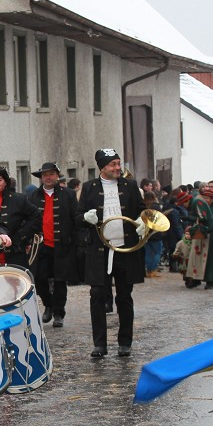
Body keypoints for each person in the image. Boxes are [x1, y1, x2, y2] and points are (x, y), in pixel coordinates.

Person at [78, 148, 145, 358]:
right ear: (102, 167)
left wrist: (143, 221)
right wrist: (86, 218)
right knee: (97, 296)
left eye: (118, 163)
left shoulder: (130, 185)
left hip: (126, 250)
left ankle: (125, 342)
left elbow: (142, 210)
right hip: (99, 251)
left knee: (125, 297)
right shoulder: (89, 188)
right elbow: (78, 216)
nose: (118, 168)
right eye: (113, 164)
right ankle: (100, 344)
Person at [27, 162, 77, 327]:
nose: (48, 177)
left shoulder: (68, 194)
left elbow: (74, 218)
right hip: (41, 245)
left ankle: (58, 313)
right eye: (45, 175)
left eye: (51, 174)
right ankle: (48, 304)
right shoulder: (33, 196)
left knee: (60, 281)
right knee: (40, 279)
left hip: (62, 245)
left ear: (57, 176)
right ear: (41, 178)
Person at [0, 166, 41, 270]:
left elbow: (36, 216)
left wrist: (21, 236)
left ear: (6, 182)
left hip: (14, 252)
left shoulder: (18, 199)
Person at [185, 181, 213, 289]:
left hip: (210, 231)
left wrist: (189, 219)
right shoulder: (198, 201)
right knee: (200, 257)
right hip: (206, 231)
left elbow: (203, 218)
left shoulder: (197, 202)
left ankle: (209, 282)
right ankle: (197, 279)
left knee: (210, 258)